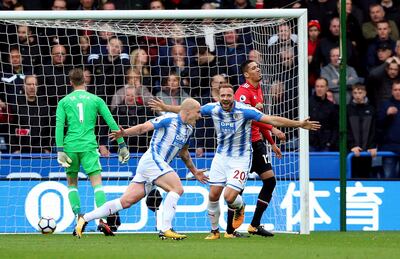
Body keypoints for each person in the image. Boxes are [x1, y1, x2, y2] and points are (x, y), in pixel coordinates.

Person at [149, 84, 320, 240]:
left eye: (228, 95)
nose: (225, 98)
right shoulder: (213, 108)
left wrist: (298, 124)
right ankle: (215, 231)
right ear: (219, 96)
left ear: (233, 97)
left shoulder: (245, 110)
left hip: (240, 158)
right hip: (221, 157)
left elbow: (271, 119)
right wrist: (165, 107)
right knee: (213, 195)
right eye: (222, 95)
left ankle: (240, 206)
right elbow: (187, 109)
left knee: (229, 196)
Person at [75, 98, 208, 239]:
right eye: (198, 112)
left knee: (125, 202)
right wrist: (124, 133)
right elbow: (144, 127)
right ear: (188, 111)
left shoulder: (189, 129)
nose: (200, 116)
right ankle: (166, 229)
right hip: (153, 160)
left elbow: (184, 153)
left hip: (154, 166)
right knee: (177, 189)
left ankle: (84, 218)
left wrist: (194, 171)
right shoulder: (169, 119)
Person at [56, 68, 130, 235]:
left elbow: (59, 127)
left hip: (70, 147)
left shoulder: (64, 102)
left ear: (70, 83)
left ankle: (78, 220)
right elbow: (111, 122)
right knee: (97, 185)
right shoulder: (96, 100)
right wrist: (122, 145)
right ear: (85, 81)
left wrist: (60, 150)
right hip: (89, 146)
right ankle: (103, 220)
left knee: (72, 184)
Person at [232, 60, 286, 238]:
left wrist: (271, 143)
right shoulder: (242, 93)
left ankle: (254, 225)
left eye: (258, 67)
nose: (258, 69)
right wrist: (273, 128)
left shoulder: (258, 89)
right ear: (246, 74)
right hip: (242, 146)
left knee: (270, 181)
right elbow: (249, 118)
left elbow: (259, 119)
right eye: (254, 68)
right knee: (236, 189)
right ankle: (230, 231)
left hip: (257, 144)